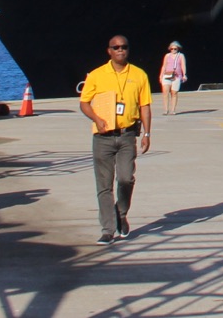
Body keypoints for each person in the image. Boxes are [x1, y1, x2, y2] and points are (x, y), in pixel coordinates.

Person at [79, 34, 153, 244]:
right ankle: (108, 229)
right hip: (102, 136)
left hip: (127, 134)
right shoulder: (97, 75)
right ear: (109, 51)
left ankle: (121, 213)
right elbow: (84, 103)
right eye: (116, 47)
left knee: (126, 178)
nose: (120, 50)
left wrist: (147, 133)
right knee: (104, 184)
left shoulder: (139, 75)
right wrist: (97, 118)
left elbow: (145, 106)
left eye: (124, 47)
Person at [159, 43, 187, 116]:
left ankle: (173, 110)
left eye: (175, 49)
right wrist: (161, 75)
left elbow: (183, 65)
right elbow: (164, 66)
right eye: (172, 49)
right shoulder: (167, 56)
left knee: (174, 93)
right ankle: (166, 110)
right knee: (165, 92)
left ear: (178, 49)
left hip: (177, 76)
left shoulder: (181, 56)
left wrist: (184, 75)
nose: (173, 50)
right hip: (167, 75)